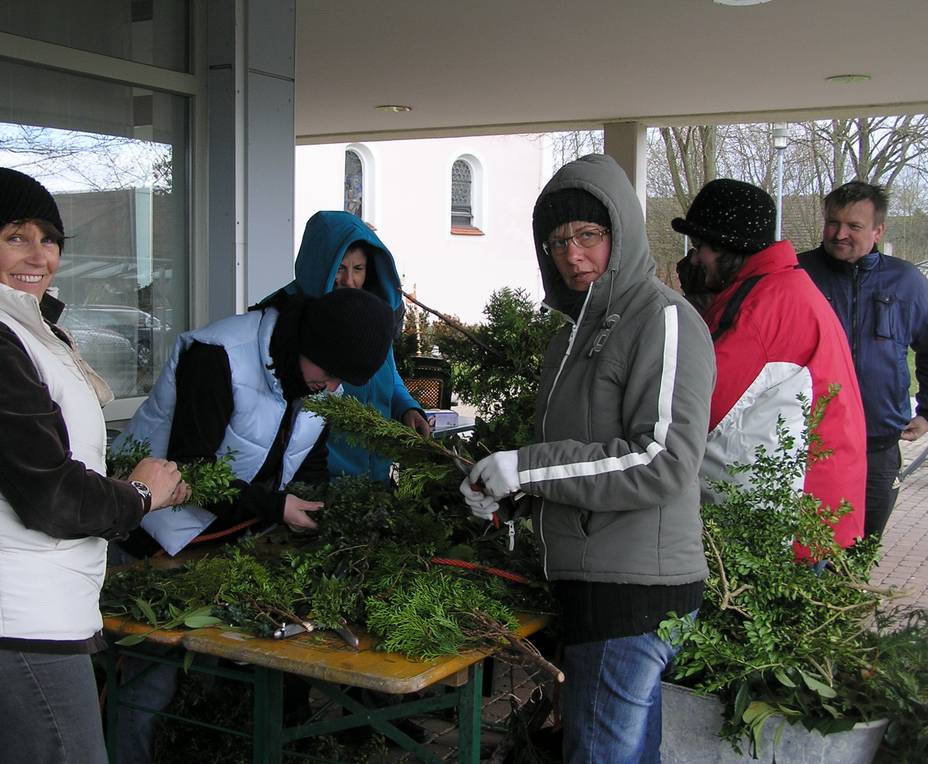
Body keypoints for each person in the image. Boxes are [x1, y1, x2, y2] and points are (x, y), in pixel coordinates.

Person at [0, 164, 189, 764]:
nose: (40, 255)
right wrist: (141, 495)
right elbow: (51, 497)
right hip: (4, 625)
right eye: (16, 235)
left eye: (50, 237)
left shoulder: (1, 323)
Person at [460, 154, 716, 763]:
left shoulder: (665, 319)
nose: (573, 254)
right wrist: (508, 491)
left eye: (588, 236)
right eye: (557, 241)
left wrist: (527, 467)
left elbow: (661, 460)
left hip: (634, 594)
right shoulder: (572, 333)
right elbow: (580, 457)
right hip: (591, 585)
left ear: (619, 232)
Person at [110, 284, 395, 763]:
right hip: (150, 537)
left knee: (213, 679)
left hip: (222, 543)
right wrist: (276, 507)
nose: (332, 387)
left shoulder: (314, 375)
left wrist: (317, 505)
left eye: (341, 379)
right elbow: (192, 469)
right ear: (307, 344)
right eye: (329, 374)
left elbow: (311, 458)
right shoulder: (218, 356)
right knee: (149, 681)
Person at [673, 178, 867, 550]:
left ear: (730, 247)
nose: (695, 259)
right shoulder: (779, 287)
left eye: (701, 248)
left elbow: (697, 405)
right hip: (820, 511)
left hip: (795, 528)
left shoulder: (761, 306)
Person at [798, 181, 928, 539]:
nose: (840, 234)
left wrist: (927, 413)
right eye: (833, 223)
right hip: (810, 446)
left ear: (878, 230)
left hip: (878, 446)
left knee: (863, 549)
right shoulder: (797, 276)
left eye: (853, 226)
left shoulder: (906, 281)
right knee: (808, 553)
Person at [270, 210, 430, 482]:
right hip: (319, 481)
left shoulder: (370, 316)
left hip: (375, 477)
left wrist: (407, 409)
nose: (349, 281)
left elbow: (388, 373)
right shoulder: (287, 319)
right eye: (339, 269)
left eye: (358, 269)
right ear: (319, 265)